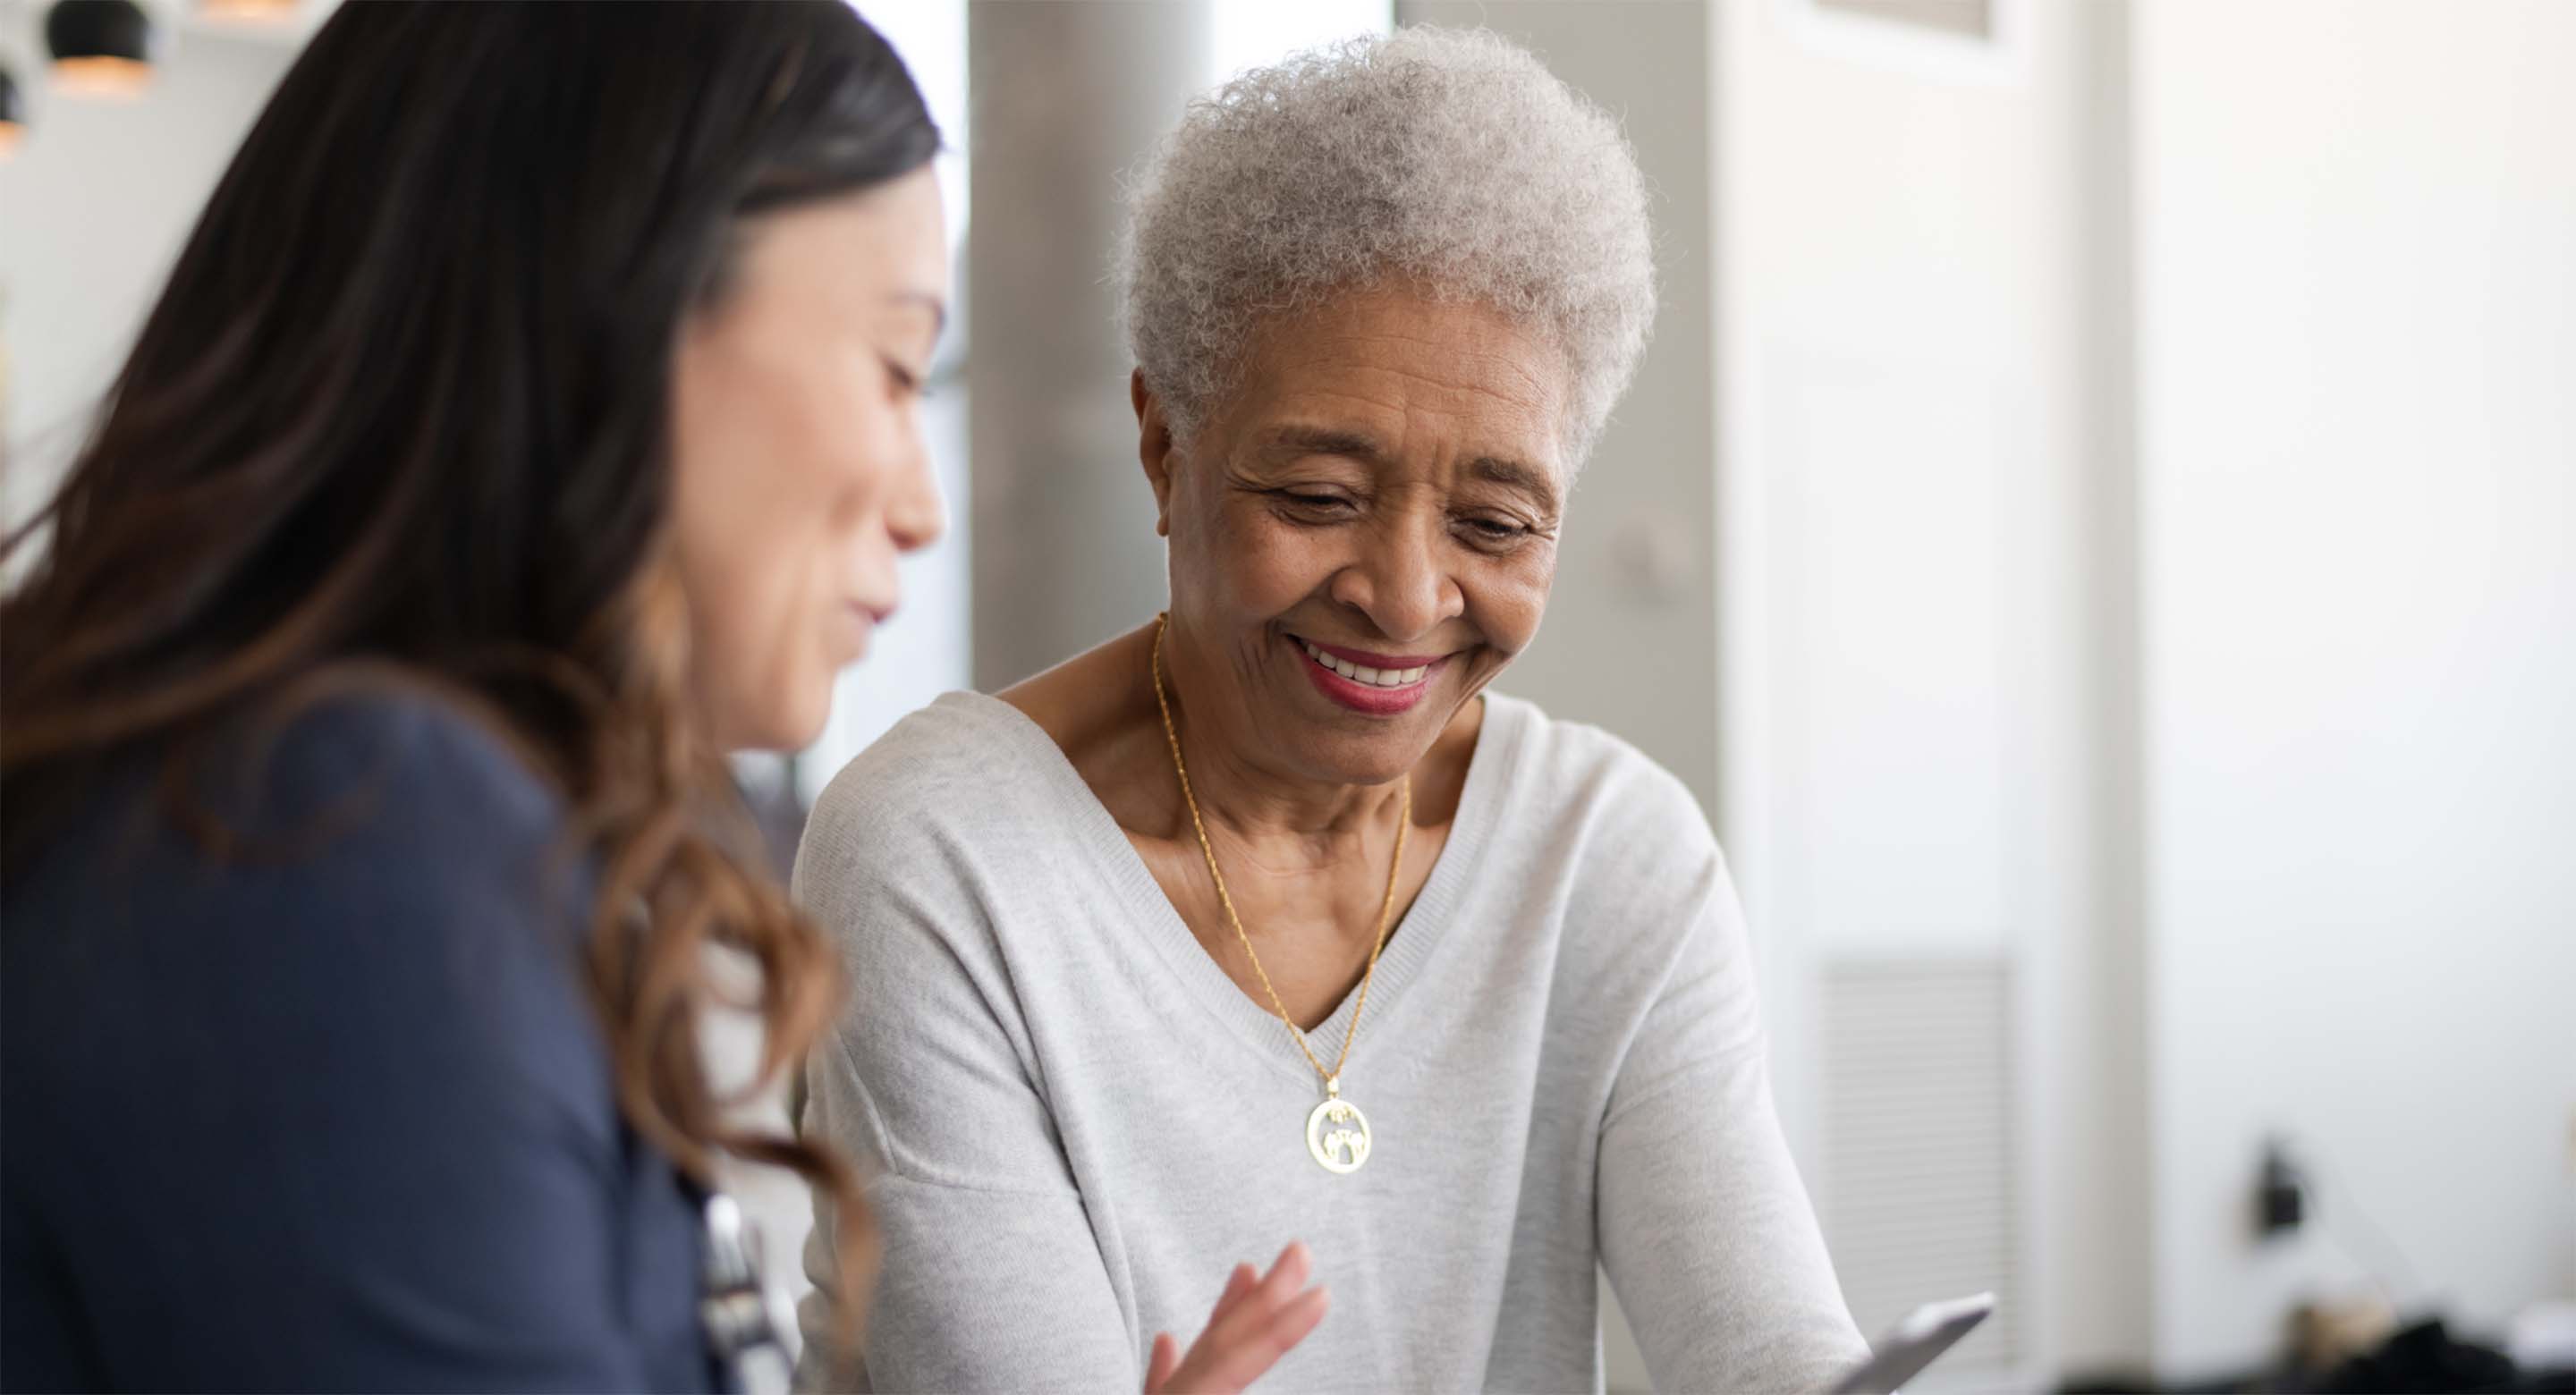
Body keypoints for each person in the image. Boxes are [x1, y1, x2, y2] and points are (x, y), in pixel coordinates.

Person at [792, 26, 1872, 1395]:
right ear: (1164, 449)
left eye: (1495, 521)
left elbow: (1771, 1352)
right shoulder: (944, 857)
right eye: (1316, 499)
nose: (1410, 598)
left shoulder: (1611, 861)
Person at [0, 5, 952, 1389]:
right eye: (897, 366)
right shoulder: (337, 836)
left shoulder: (351, 810)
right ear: (625, 307)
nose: (922, 505)